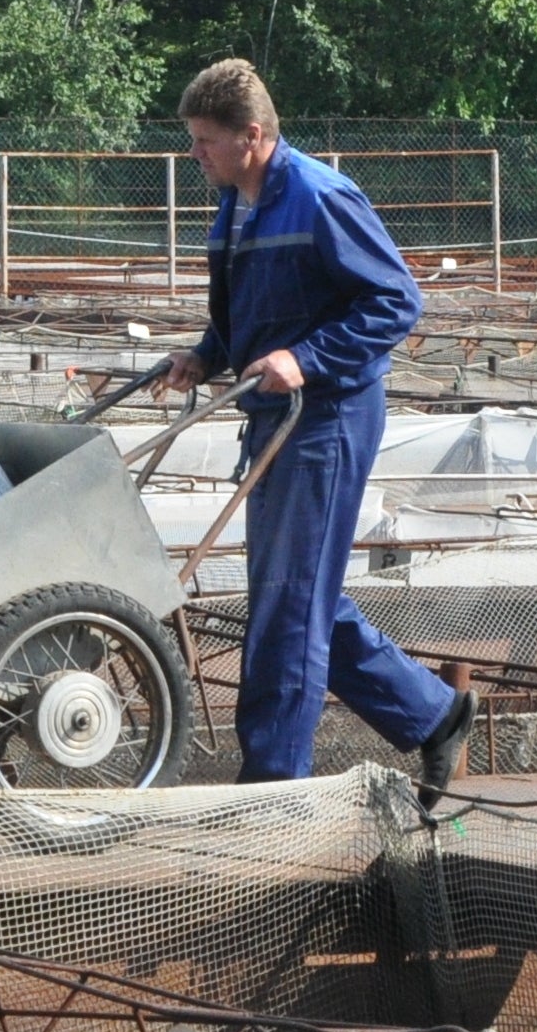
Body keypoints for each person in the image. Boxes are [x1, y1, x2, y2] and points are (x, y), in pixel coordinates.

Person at [160, 58, 473, 794]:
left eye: (206, 141)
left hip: (326, 417)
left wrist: (307, 358)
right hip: (272, 416)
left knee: (289, 608)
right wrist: (206, 355)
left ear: (253, 136)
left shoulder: (320, 197)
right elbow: (247, 308)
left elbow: (396, 302)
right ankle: (433, 717)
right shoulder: (237, 201)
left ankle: (275, 787)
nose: (195, 155)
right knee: (298, 593)